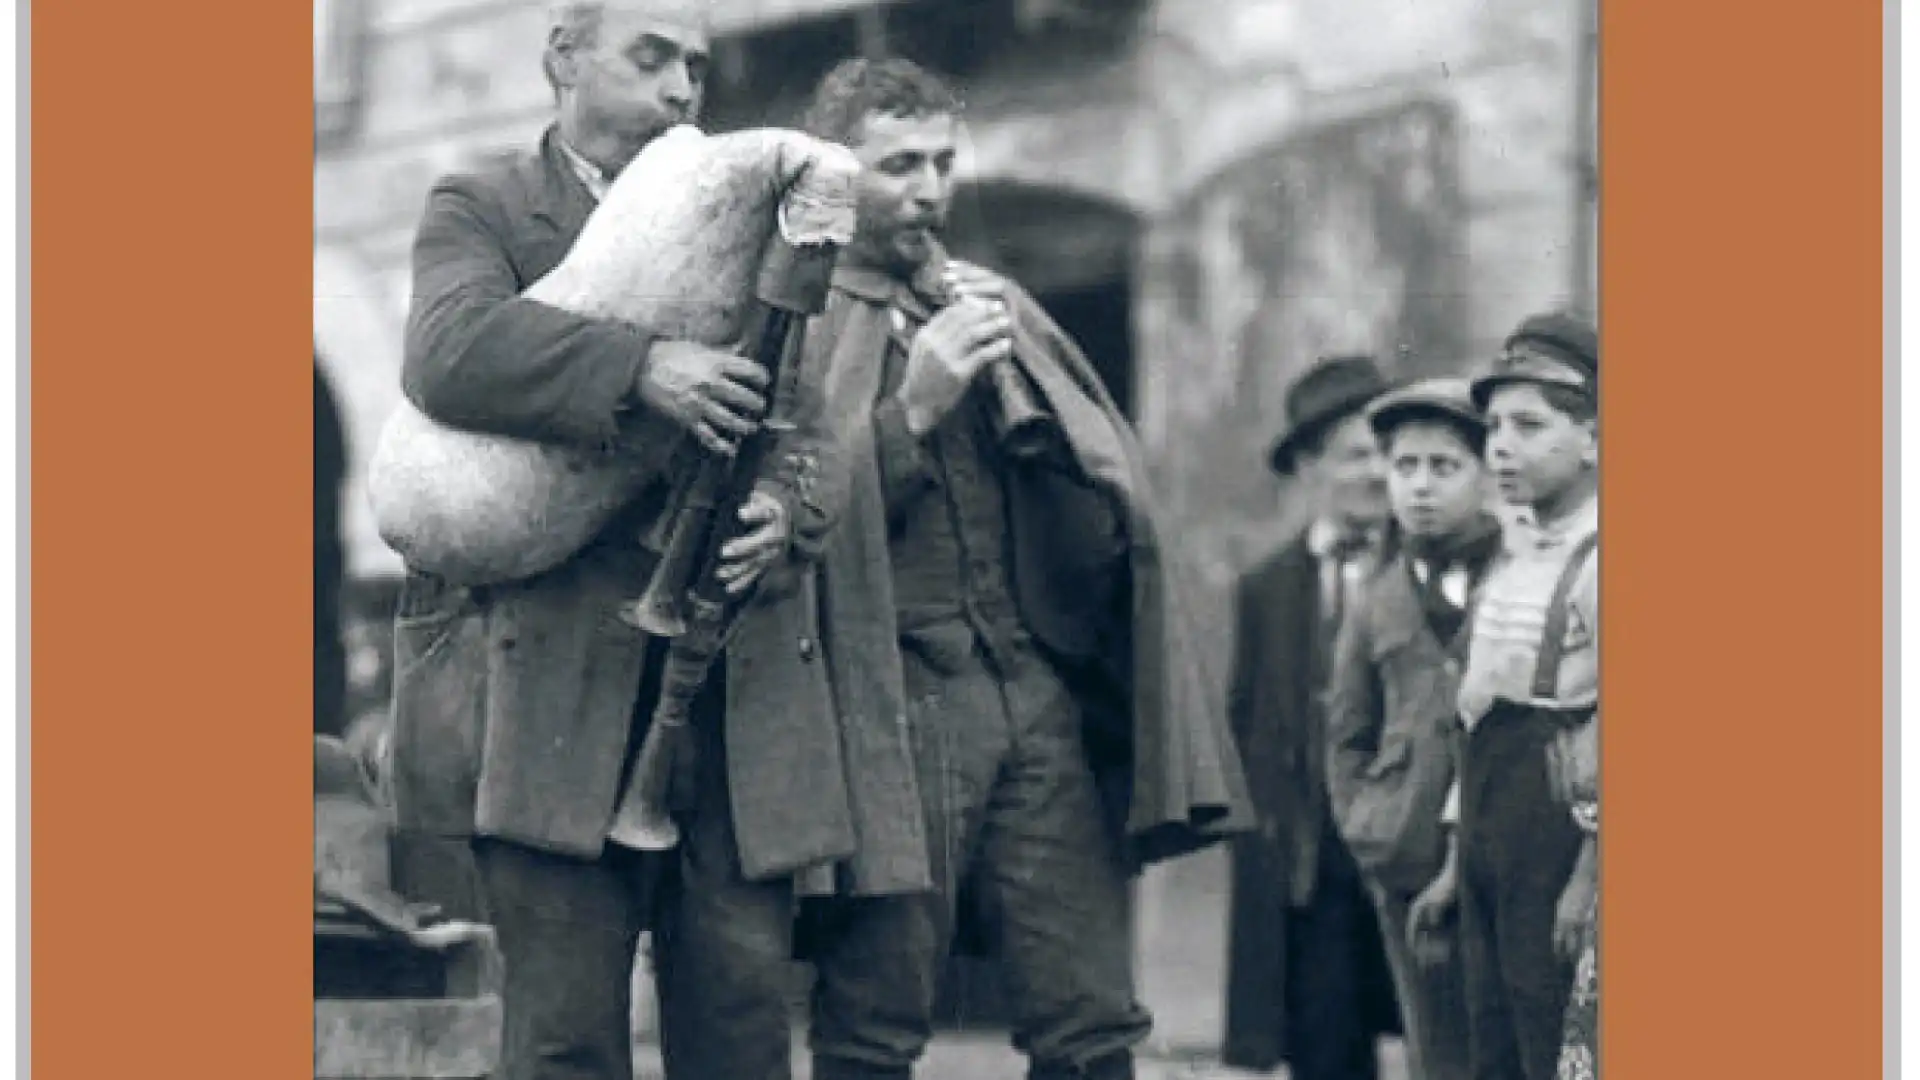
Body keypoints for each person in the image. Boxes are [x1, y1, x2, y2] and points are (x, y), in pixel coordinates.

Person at [652, 57, 1253, 1080]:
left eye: (941, 161)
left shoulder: (991, 301)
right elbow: (762, 541)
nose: (930, 188)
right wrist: (912, 411)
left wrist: (1052, 428)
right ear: (837, 173)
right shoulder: (785, 321)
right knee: (877, 1024)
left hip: (1031, 695)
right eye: (898, 166)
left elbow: (1106, 514)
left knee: (1094, 1019)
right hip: (889, 706)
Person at [384, 4, 852, 1079]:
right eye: (651, 58)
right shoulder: (486, 205)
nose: (684, 89)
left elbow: (806, 424)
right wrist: (642, 367)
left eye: (695, 64)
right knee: (565, 1044)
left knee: (740, 1036)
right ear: (563, 57)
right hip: (555, 701)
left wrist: (789, 516)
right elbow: (448, 354)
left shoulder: (750, 217)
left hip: (730, 706)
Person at [1406, 312, 1600, 1080]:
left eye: (1530, 425)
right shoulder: (1514, 557)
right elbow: (1475, 720)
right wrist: (1458, 863)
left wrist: (1591, 877)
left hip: (1561, 837)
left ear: (1596, 438)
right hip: (1492, 830)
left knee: (1553, 1033)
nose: (1501, 448)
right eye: (1492, 428)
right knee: (1493, 1037)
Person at [1222, 355, 1403, 1079]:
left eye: (1386, 454)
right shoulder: (1268, 586)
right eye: (1357, 454)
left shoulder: (1427, 564)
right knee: (1326, 1045)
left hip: (1411, 847)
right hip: (1316, 860)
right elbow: (1251, 720)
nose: (1377, 473)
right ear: (1309, 466)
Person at [1326, 378, 1501, 1080]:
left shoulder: (1521, 576)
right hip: (1406, 853)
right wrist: (1367, 824)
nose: (1421, 487)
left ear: (1487, 475)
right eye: (1405, 467)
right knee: (1435, 1046)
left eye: (1444, 467)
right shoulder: (1375, 597)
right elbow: (1347, 729)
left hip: (1503, 851)